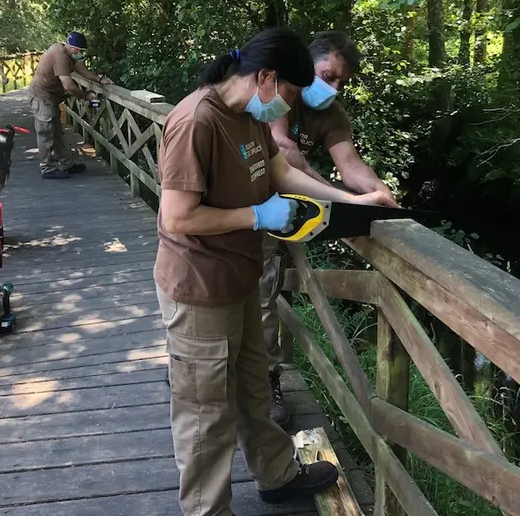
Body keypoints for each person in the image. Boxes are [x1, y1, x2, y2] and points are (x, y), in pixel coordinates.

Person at [154, 26, 395, 516]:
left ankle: (277, 473)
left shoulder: (250, 116)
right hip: (200, 287)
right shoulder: (197, 120)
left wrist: (354, 202)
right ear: (264, 76)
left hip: (240, 276)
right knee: (206, 413)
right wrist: (257, 217)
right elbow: (176, 217)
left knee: (252, 387)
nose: (289, 105)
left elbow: (283, 173)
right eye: (287, 92)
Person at [261, 31, 400, 427]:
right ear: (308, 65)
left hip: (286, 211)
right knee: (232, 287)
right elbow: (283, 150)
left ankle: (266, 379)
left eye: (342, 82)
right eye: (328, 75)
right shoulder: (281, 88)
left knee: (265, 293)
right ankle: (195, 362)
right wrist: (344, 201)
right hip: (247, 196)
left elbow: (351, 164)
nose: (333, 87)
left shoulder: (333, 115)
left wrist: (377, 191)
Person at [27, 31, 112, 179]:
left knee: (57, 132)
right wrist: (85, 96)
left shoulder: (69, 55)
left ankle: (67, 164)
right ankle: (47, 168)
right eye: (80, 51)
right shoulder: (59, 54)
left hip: (51, 98)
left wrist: (99, 80)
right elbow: (68, 85)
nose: (81, 54)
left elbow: (82, 70)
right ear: (72, 47)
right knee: (46, 133)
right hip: (41, 97)